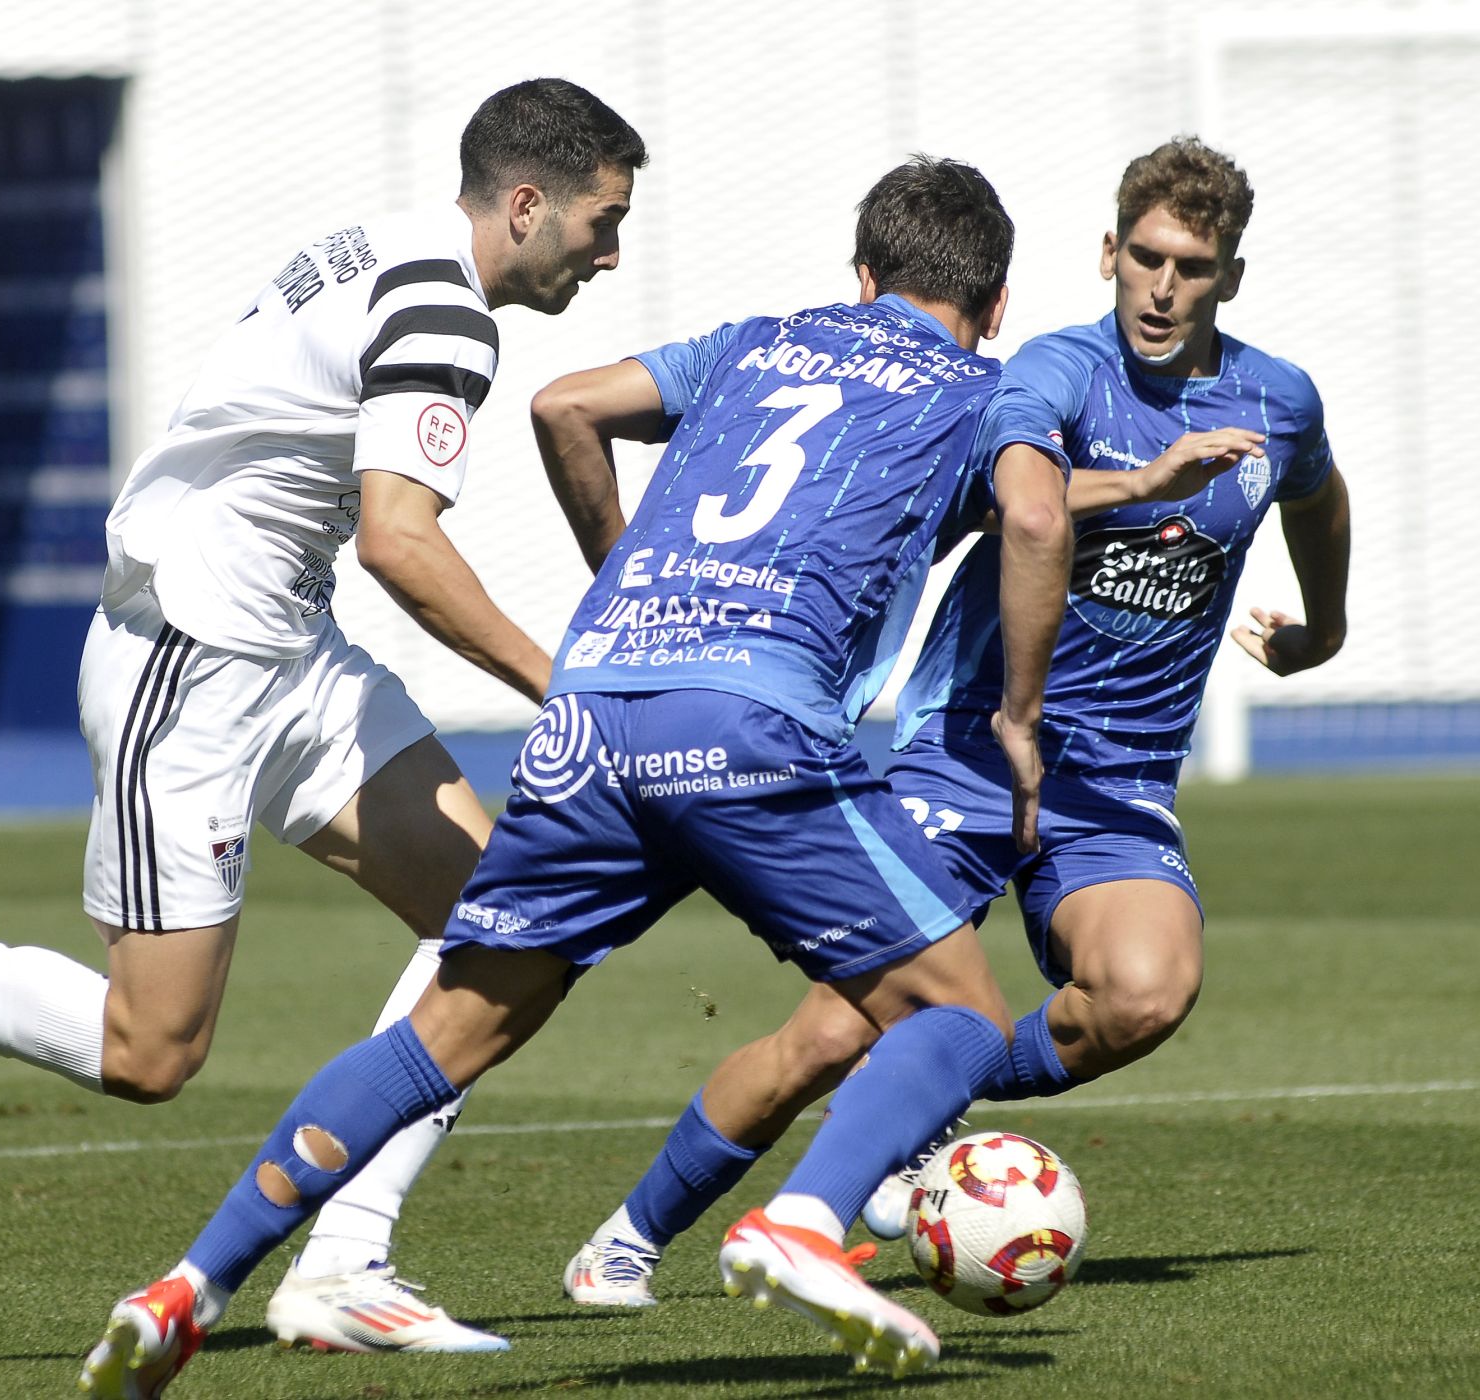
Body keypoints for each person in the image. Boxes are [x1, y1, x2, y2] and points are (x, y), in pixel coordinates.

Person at [0, 77, 647, 1354]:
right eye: (602, 221)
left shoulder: (391, 243)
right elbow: (402, 543)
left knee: (509, 919)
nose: (610, 253)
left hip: (287, 647)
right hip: (188, 659)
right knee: (150, 1050)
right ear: (527, 203)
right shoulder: (444, 310)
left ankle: (344, 1261)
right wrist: (566, 686)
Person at [73, 156, 1073, 1396]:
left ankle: (192, 1282)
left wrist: (625, 599)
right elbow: (1036, 521)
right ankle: (803, 1222)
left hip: (594, 707)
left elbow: (564, 406)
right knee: (959, 1013)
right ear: (999, 299)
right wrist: (1019, 717)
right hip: (751, 715)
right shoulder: (990, 384)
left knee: (453, 1024)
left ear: (862, 276)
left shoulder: (758, 341)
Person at [559, 135, 1350, 1307]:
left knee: (1143, 992)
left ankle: (927, 1108)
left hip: (1117, 777)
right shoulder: (1050, 376)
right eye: (1144, 258)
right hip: (973, 743)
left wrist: (1321, 632)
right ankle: (630, 1234)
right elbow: (1023, 497)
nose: (1164, 286)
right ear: (1107, 254)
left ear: (1230, 273)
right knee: (830, 1032)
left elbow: (1317, 492)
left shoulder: (1275, 398)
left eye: (1193, 264)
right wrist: (1137, 485)